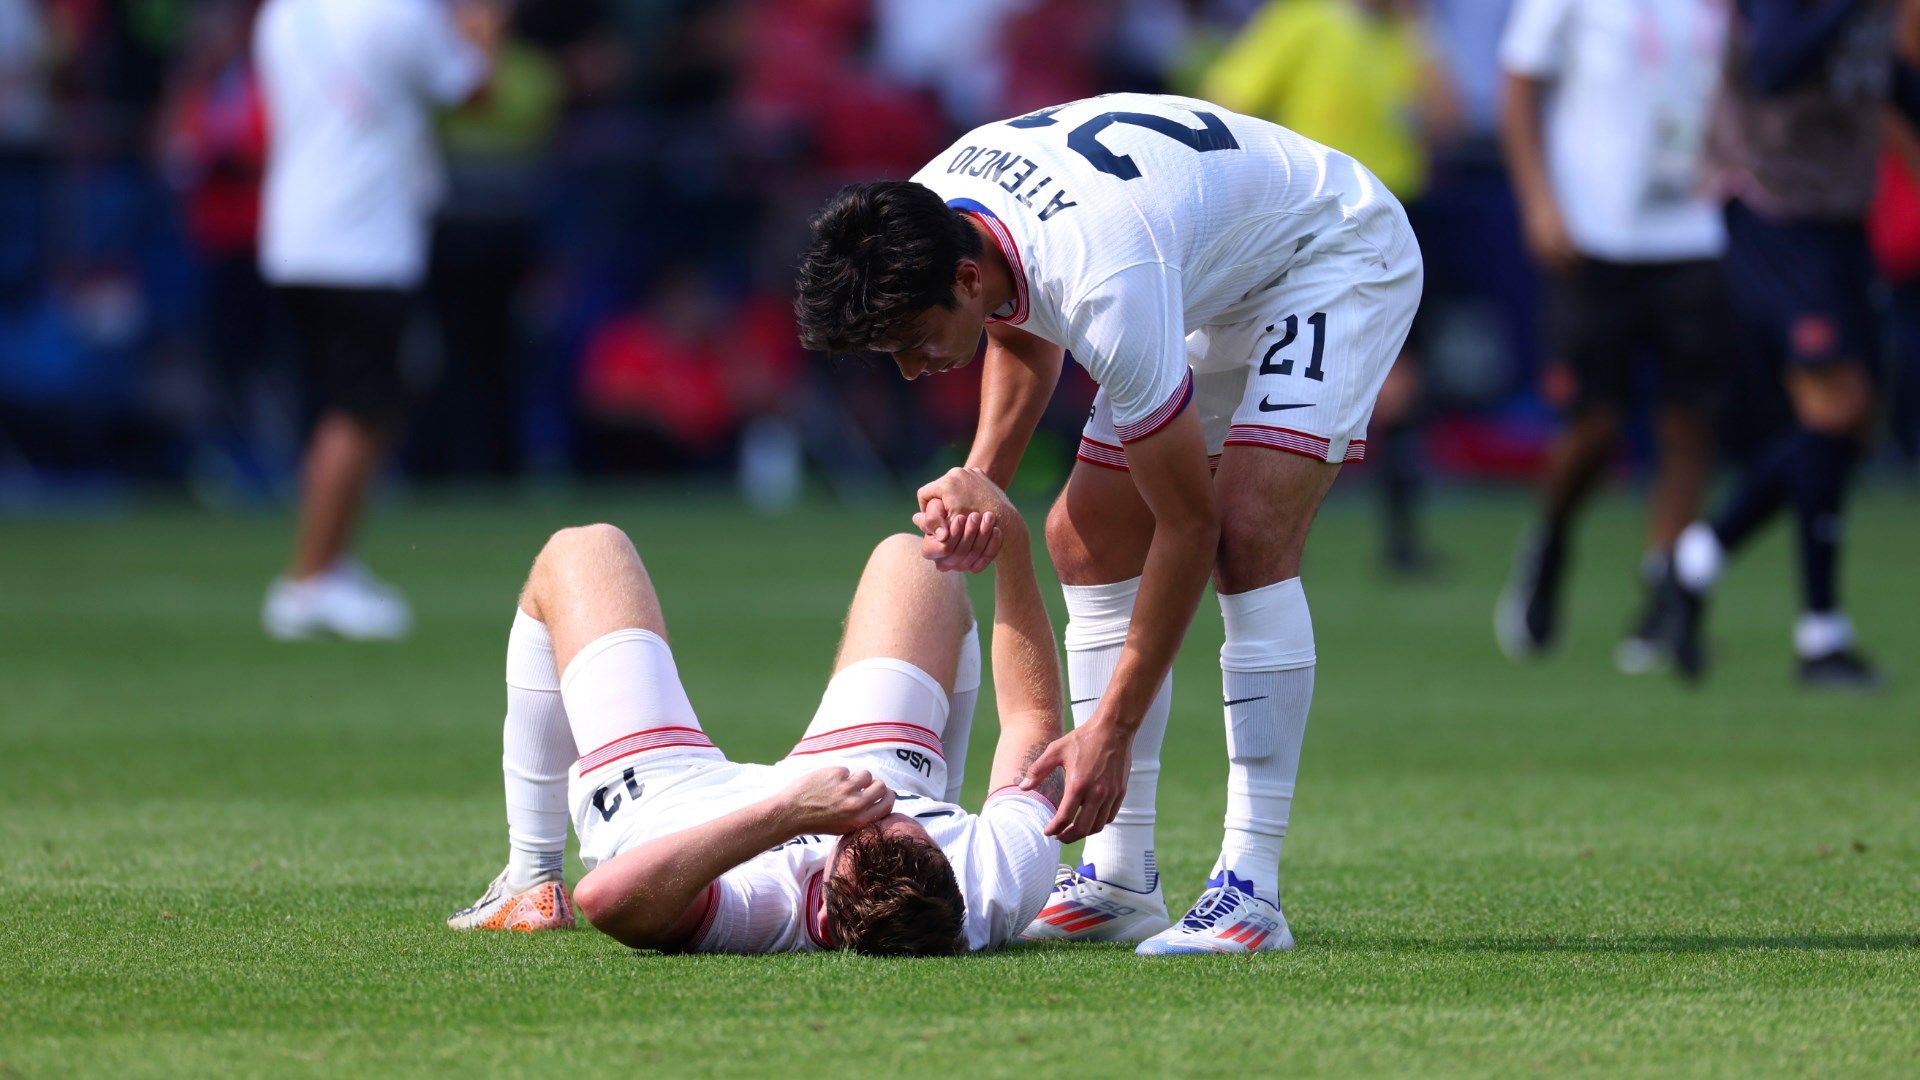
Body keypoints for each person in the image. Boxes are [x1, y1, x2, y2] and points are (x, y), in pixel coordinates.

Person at [794, 92, 1422, 954]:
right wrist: (983, 483)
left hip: (1330, 252)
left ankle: (1250, 892)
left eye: (912, 340)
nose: (909, 370)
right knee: (1083, 539)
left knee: (1245, 536)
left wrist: (1112, 729)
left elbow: (1188, 527)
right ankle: (1120, 879)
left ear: (963, 281)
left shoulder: (1102, 280)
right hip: (1207, 272)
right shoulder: (938, 216)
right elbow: (1023, 322)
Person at [447, 469, 1065, 955]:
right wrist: (1011, 540)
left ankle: (530, 880)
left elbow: (604, 899)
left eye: (858, 827)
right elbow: (1032, 719)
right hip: (861, 770)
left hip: (676, 812)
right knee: (917, 562)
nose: (883, 811)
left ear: (821, 903)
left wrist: (790, 812)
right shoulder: (996, 881)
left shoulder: (767, 907)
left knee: (583, 550)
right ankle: (931, 787)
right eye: (907, 822)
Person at [1663, 0, 1920, 689]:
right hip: (1773, 207)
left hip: (1840, 212)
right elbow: (1776, 64)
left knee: (1849, 426)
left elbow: (1884, 78)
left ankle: (1698, 564)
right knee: (1836, 408)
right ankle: (1819, 635)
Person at [1493, 0, 1732, 672]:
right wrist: (1539, 202)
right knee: (1594, 428)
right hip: (1594, 233)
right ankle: (1551, 538)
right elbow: (1518, 85)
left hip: (1695, 229)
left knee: (1689, 423)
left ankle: (1666, 591)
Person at [254, 0, 499, 640]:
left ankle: (331, 564)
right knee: (360, 409)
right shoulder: (398, 13)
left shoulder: (282, 14)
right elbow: (474, 92)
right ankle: (310, 579)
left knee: (353, 406)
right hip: (364, 239)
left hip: (295, 233)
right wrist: (483, 31)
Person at [1204, 0, 1459, 577]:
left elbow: (1448, 120)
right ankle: (1237, 522)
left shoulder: (1401, 35)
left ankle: (1395, 540)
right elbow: (1224, 103)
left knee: (1398, 381)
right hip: (1316, 222)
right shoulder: (1301, 22)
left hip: (1397, 222)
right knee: (1273, 369)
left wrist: (1419, 36)